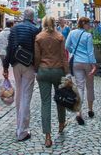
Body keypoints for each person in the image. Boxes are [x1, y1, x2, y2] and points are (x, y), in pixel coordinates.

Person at [3, 7, 40, 142]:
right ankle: (23, 131)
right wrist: (38, 66)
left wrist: (5, 66)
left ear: (23, 16)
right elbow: (37, 50)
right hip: (28, 65)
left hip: (15, 64)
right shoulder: (35, 30)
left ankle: (18, 126)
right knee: (26, 96)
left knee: (19, 94)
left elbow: (9, 48)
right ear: (32, 17)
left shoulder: (14, 29)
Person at [35, 16, 69, 148]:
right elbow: (63, 56)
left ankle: (47, 136)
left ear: (43, 23)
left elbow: (37, 57)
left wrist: (36, 69)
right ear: (54, 24)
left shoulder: (39, 37)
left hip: (43, 71)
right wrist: (67, 73)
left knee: (45, 102)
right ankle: (61, 123)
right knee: (60, 99)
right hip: (58, 70)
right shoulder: (60, 37)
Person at [66, 16, 96, 125]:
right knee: (90, 86)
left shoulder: (72, 33)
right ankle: (90, 109)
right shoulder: (88, 35)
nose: (90, 26)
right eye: (88, 24)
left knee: (80, 87)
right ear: (84, 24)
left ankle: (79, 112)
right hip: (87, 62)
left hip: (76, 62)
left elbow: (67, 46)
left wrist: (73, 51)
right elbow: (90, 51)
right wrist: (93, 65)